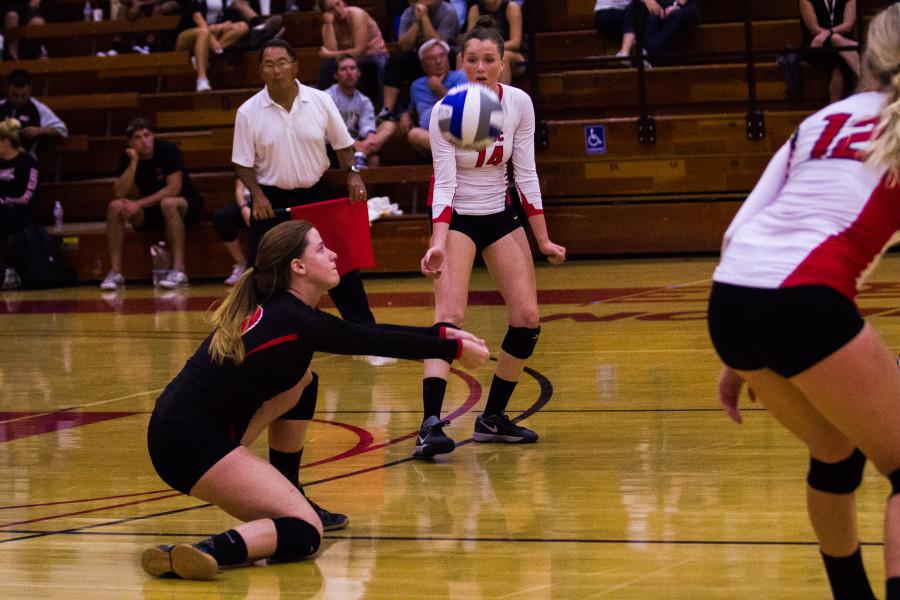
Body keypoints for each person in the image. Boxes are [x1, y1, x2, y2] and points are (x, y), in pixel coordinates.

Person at [141, 219, 490, 580]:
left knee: (302, 382)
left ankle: (290, 488)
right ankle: (199, 552)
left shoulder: (283, 311)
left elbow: (367, 332)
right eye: (322, 248)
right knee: (303, 532)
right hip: (191, 445)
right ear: (299, 267)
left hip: (181, 433)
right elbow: (370, 341)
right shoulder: (292, 318)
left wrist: (440, 334)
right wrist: (452, 346)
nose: (334, 254)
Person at [707, 6, 900, 599]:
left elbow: (736, 234)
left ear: (866, 60)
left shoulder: (820, 121)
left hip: (731, 302)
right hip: (804, 301)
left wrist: (740, 357)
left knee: (835, 450)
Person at [415, 17, 566, 459]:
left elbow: (526, 173)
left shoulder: (519, 103)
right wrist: (438, 242)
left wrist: (543, 240)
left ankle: (493, 418)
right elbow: (443, 184)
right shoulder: (444, 110)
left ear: (502, 63)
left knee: (527, 317)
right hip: (457, 215)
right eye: (472, 60)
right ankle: (429, 424)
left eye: (489, 60)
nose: (480, 67)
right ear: (460, 64)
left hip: (500, 212)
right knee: (450, 315)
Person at [233, 39, 377, 328]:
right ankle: (249, 332)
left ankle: (365, 332)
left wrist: (352, 172)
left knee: (342, 265)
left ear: (295, 66)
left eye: (282, 62)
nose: (277, 70)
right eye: (269, 64)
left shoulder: (320, 100)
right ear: (261, 71)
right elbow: (242, 163)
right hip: (271, 203)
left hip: (316, 196)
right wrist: (257, 195)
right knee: (259, 271)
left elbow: (343, 144)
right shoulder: (248, 112)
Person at [100, 118, 204, 290]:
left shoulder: (167, 150)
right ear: (130, 142)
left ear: (153, 135)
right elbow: (119, 192)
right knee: (115, 206)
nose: (144, 141)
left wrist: (139, 203)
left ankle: (179, 271)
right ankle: (115, 273)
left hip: (184, 204)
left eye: (147, 135)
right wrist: (133, 162)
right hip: (150, 210)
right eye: (138, 137)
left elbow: (174, 188)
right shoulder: (127, 158)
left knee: (168, 203)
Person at [378, 0, 459, 123]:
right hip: (419, 57)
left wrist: (425, 18)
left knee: (450, 55)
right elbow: (404, 46)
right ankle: (387, 110)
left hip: (444, 57)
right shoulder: (409, 13)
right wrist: (416, 21)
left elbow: (439, 44)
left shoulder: (448, 12)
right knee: (396, 59)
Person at [325, 54, 396, 168]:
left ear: (358, 73)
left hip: (357, 144)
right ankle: (361, 154)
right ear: (336, 75)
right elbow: (328, 131)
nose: (349, 73)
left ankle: (361, 154)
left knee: (389, 126)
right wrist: (353, 144)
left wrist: (370, 137)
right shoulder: (327, 97)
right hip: (333, 147)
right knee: (371, 159)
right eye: (343, 69)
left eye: (353, 68)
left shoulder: (364, 100)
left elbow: (367, 125)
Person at [316, 0, 388, 106]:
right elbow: (331, 52)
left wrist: (330, 54)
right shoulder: (328, 23)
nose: (337, 10)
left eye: (338, 4)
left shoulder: (356, 14)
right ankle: (325, 107)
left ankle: (372, 107)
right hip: (348, 58)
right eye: (331, 9)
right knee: (327, 66)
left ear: (343, 3)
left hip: (374, 55)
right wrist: (329, 24)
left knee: (359, 65)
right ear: (326, 13)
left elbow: (359, 50)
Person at [175, 0, 252, 91]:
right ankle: (202, 79)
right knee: (204, 33)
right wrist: (211, 37)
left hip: (213, 29)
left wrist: (221, 26)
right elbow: (196, 17)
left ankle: (203, 56)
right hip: (188, 33)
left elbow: (228, 16)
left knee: (242, 26)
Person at [407, 39, 467, 155]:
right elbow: (412, 109)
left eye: (442, 56)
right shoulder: (417, 86)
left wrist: (438, 88)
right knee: (414, 134)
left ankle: (454, 155)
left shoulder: (461, 77)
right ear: (423, 65)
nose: (438, 61)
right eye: (431, 58)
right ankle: (455, 155)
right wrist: (404, 114)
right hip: (432, 136)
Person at [0, 118, 39, 291]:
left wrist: (4, 200)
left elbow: (26, 196)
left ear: (6, 142)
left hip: (20, 213)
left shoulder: (27, 162)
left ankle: (10, 271)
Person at [801, 0, 860, 103]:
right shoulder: (806, 1)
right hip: (817, 43)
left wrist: (829, 33)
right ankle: (862, 76)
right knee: (838, 44)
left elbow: (848, 25)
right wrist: (830, 35)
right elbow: (814, 29)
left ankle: (834, 104)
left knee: (839, 60)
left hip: (841, 42)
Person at [0, 69, 68, 159]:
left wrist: (38, 131)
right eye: (14, 95)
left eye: (23, 95)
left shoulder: (38, 108)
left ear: (30, 89)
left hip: (25, 160)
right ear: (8, 89)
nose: (19, 99)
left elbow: (62, 130)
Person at [465, 0, 526, 84]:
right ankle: (466, 94)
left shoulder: (511, 7)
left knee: (503, 56)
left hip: (514, 54)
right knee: (461, 56)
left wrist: (490, 48)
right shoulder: (475, 10)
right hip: (482, 52)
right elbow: (468, 41)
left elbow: (515, 43)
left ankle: (501, 96)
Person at [213, 178, 251, 286]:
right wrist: (243, 207)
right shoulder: (244, 162)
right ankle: (241, 264)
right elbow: (239, 189)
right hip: (247, 202)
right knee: (222, 217)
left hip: (267, 201)